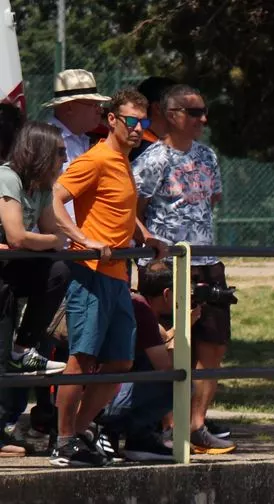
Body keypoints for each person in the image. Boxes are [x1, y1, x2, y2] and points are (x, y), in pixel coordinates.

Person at [50, 88, 168, 469]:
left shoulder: (122, 161)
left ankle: (79, 431)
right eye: (131, 121)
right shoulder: (97, 158)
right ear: (112, 120)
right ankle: (63, 441)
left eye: (144, 122)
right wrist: (82, 238)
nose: (138, 129)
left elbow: (116, 206)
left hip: (118, 275)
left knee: (119, 362)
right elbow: (56, 198)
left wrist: (142, 234)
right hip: (91, 273)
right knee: (81, 359)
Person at [132, 83, 236, 455]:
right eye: (194, 113)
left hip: (208, 262)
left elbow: (213, 199)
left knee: (213, 344)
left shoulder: (208, 156)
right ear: (172, 115)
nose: (202, 119)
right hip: (169, 265)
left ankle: (196, 425)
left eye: (204, 112)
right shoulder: (152, 159)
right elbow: (134, 209)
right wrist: (150, 249)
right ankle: (167, 426)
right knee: (173, 348)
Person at [0, 121, 69, 379]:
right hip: (4, 267)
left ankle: (23, 350)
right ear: (41, 152)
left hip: (12, 265)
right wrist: (47, 239)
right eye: (60, 152)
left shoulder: (42, 186)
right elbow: (17, 237)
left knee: (58, 269)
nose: (65, 158)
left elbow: (55, 235)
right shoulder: (7, 177)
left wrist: (47, 239)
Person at [99, 261, 181, 463]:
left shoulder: (135, 303)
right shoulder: (143, 312)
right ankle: (119, 430)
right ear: (167, 293)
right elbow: (166, 367)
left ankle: (130, 434)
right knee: (181, 383)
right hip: (105, 396)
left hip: (102, 386)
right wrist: (183, 334)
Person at [45, 69, 104, 166]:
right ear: (70, 107)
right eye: (94, 105)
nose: (100, 110)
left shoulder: (83, 137)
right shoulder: (47, 141)